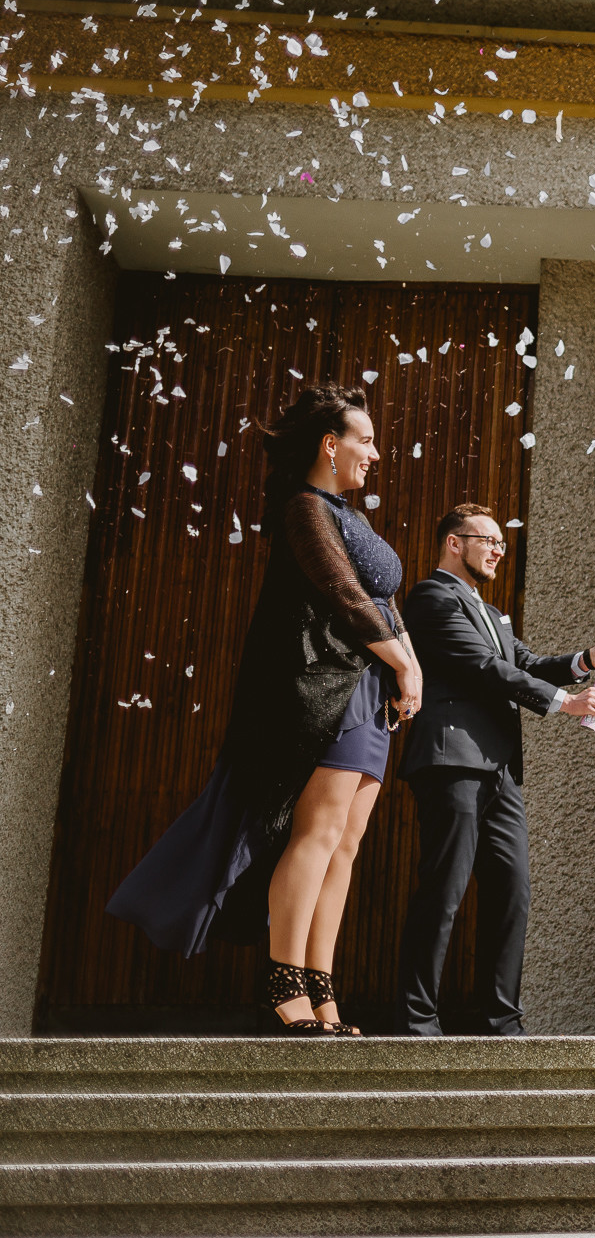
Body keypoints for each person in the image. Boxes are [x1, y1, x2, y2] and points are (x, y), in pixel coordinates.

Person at [109, 384, 423, 1034]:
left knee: (345, 845)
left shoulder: (353, 517)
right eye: (365, 440)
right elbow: (342, 591)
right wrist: (403, 662)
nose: (376, 453)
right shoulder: (303, 507)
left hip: (369, 692)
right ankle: (285, 983)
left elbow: (384, 600)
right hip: (322, 688)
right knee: (317, 833)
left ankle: (323, 991)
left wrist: (406, 667)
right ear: (330, 445)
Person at [392, 503, 595, 1036]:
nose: (499, 550)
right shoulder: (432, 597)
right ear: (454, 542)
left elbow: (526, 663)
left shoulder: (492, 612)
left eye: (502, 542)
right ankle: (417, 1022)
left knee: (512, 891)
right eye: (488, 540)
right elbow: (484, 668)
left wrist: (589, 659)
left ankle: (501, 1023)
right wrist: (565, 704)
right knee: (444, 890)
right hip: (453, 761)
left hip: (500, 771)